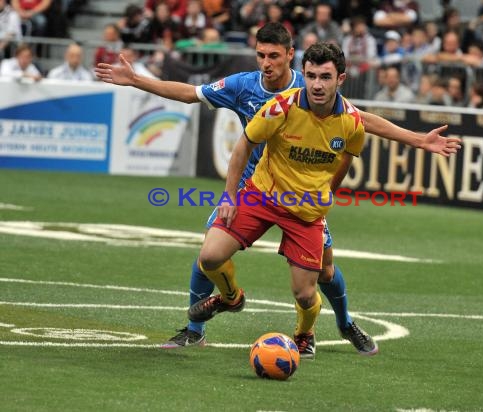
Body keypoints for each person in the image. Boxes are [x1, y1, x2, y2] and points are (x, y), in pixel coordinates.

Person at [95, 22, 460, 356]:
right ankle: (198, 326)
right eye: (261, 55)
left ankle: (344, 323)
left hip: (304, 197)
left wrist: (415, 140)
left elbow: (358, 119)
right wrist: (139, 79)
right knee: (208, 253)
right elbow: (191, 94)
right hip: (258, 187)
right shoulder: (243, 86)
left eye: (274, 55)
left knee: (325, 273)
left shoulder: (312, 86)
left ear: (290, 56)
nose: (266, 63)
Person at [187, 42, 364, 359]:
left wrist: (325, 194)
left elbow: (344, 162)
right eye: (311, 76)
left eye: (325, 77)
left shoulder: (352, 122)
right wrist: (229, 195)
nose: (316, 84)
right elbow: (242, 147)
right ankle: (230, 297)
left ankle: (305, 333)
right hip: (262, 194)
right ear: (304, 74)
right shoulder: (282, 106)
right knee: (210, 255)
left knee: (306, 293)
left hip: (306, 212)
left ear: (341, 78)